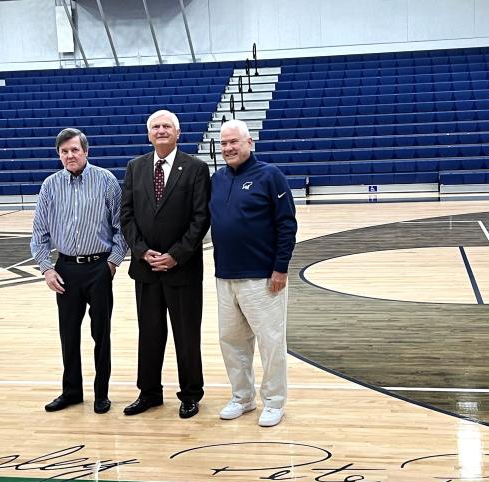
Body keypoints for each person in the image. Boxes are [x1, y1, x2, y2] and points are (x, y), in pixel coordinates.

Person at [120, 109, 211, 419]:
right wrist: (143, 251)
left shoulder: (196, 168)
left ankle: (190, 394)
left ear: (177, 132)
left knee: (186, 335)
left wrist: (175, 254)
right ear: (149, 135)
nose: (161, 130)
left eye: (166, 126)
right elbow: (127, 216)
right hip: (146, 268)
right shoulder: (135, 167)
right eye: (155, 127)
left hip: (182, 268)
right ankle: (149, 393)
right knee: (150, 332)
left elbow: (201, 218)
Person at [31, 128, 128, 414]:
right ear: (59, 155)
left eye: (75, 150)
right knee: (68, 334)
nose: (70, 155)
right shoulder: (50, 185)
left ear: (86, 151)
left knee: (102, 334)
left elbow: (121, 227)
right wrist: (47, 269)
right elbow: (39, 232)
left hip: (99, 267)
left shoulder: (106, 180)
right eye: (64, 151)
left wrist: (112, 263)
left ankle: (102, 394)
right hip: (65, 270)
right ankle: (71, 391)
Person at [209, 119, 297, 427]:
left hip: (263, 278)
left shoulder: (270, 176)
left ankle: (274, 402)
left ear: (250, 143)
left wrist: (280, 268)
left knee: (270, 342)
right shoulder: (217, 179)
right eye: (224, 143)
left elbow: (287, 225)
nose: (229, 148)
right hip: (225, 276)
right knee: (231, 340)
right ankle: (242, 397)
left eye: (234, 142)